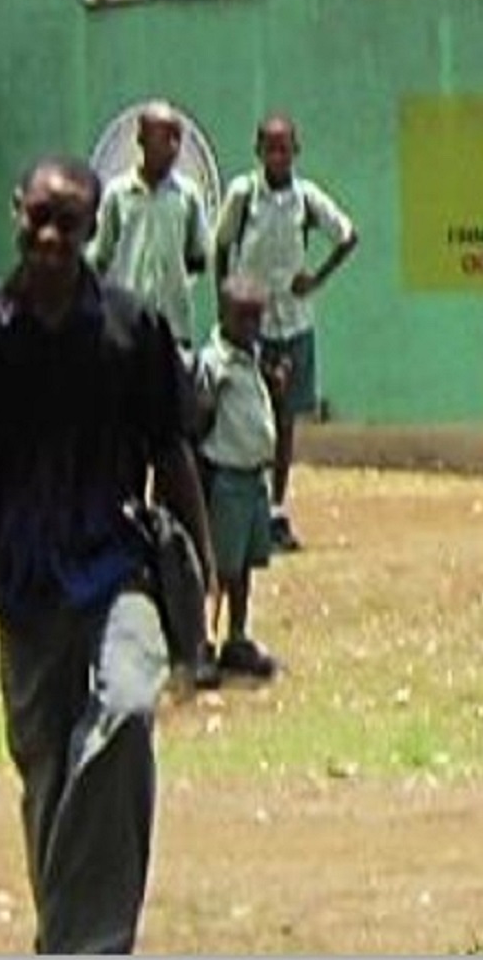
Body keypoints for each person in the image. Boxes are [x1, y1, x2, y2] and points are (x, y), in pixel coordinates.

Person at [0, 153, 215, 952]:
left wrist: (200, 572)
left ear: (91, 226)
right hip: (26, 590)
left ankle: (86, 946)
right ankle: (71, 932)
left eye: (67, 222)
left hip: (117, 573)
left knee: (126, 712)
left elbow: (171, 449)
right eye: (38, 216)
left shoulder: (130, 328)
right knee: (47, 778)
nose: (48, 236)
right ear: (17, 213)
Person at [214, 114, 358, 553]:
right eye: (269, 148)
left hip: (293, 323)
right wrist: (226, 304)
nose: (278, 156)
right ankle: (247, 505)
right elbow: (220, 247)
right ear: (258, 152)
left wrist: (316, 279)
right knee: (246, 415)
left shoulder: (306, 200)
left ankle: (276, 507)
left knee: (285, 419)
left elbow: (348, 236)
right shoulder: (243, 195)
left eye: (285, 148)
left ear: (296, 150)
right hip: (248, 327)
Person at [191, 275, 281, 688]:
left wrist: (276, 389)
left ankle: (237, 636)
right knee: (218, 569)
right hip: (225, 477)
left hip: (253, 478)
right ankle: (203, 644)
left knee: (244, 564)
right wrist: (207, 406)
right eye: (242, 319)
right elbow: (198, 421)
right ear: (223, 317)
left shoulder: (254, 358)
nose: (250, 328)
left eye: (256, 319)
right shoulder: (214, 363)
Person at [88, 100, 211, 353]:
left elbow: (198, 256)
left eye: (177, 138)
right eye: (165, 137)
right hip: (126, 328)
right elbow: (99, 257)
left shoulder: (187, 195)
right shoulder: (118, 194)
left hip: (174, 328)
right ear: (142, 139)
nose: (174, 147)